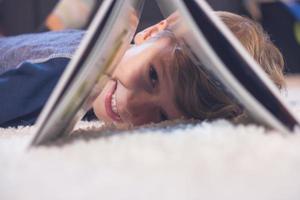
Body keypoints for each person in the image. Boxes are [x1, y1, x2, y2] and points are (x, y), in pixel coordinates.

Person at [0, 11, 285, 128]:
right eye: (152, 76)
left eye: (162, 115)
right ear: (152, 32)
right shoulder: (63, 72)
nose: (134, 106)